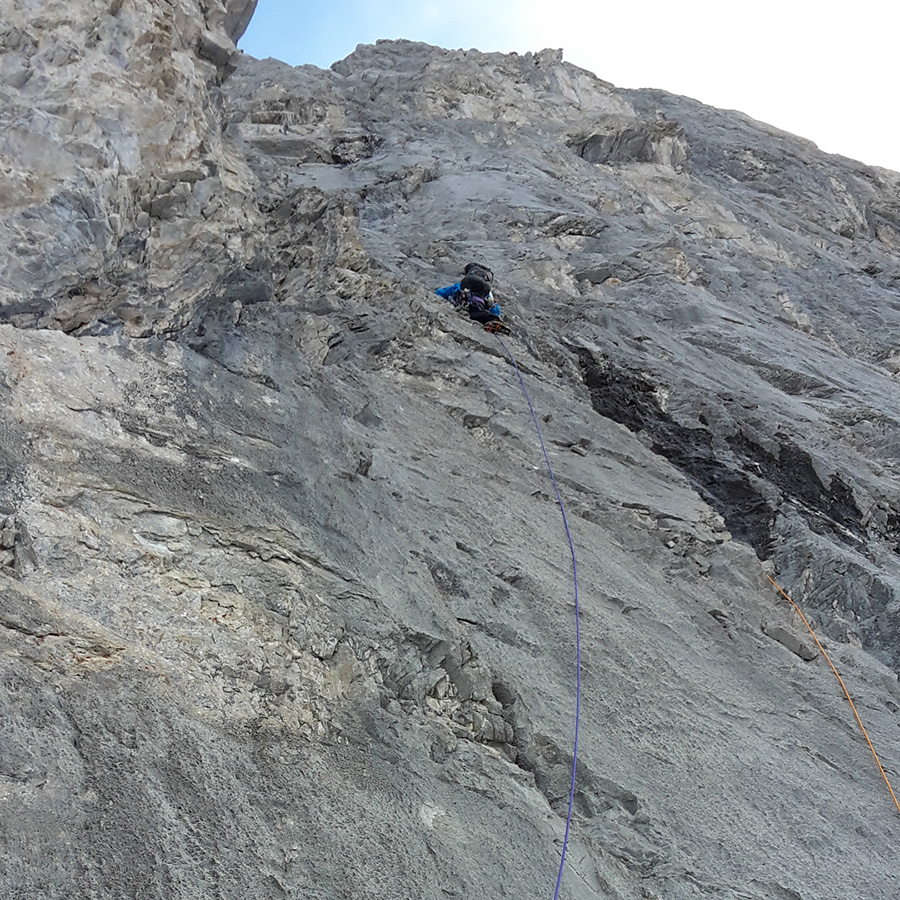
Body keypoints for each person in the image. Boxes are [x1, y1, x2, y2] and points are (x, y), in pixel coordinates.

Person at [435, 262, 507, 332]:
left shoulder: (459, 285)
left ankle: (491, 320)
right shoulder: (488, 292)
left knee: (472, 310)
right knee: (477, 310)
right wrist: (496, 314)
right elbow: (494, 307)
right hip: (478, 302)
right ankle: (493, 320)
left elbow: (440, 292)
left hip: (465, 299)